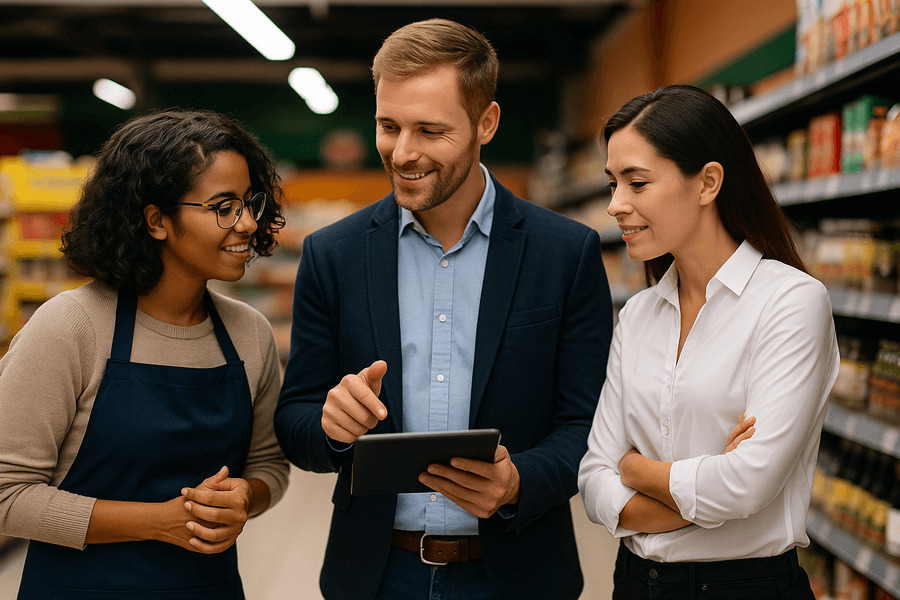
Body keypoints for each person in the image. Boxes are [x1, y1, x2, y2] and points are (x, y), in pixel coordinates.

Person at [274, 18, 612, 600]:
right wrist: (330, 428)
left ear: (487, 123)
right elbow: (295, 419)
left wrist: (518, 482)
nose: (404, 153)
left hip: (517, 575)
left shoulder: (564, 253)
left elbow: (589, 424)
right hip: (378, 576)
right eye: (388, 127)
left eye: (430, 131)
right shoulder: (334, 255)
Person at [0, 109, 290, 599]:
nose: (246, 223)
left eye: (249, 203)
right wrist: (159, 521)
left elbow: (269, 467)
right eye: (223, 207)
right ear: (157, 220)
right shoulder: (71, 327)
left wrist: (246, 496)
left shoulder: (249, 333)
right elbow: (7, 493)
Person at [577, 85, 840, 599]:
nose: (615, 205)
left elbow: (747, 484)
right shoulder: (638, 315)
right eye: (613, 184)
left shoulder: (790, 303)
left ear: (708, 182)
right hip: (636, 584)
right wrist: (702, 490)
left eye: (637, 183)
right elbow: (592, 480)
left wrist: (635, 469)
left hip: (745, 588)